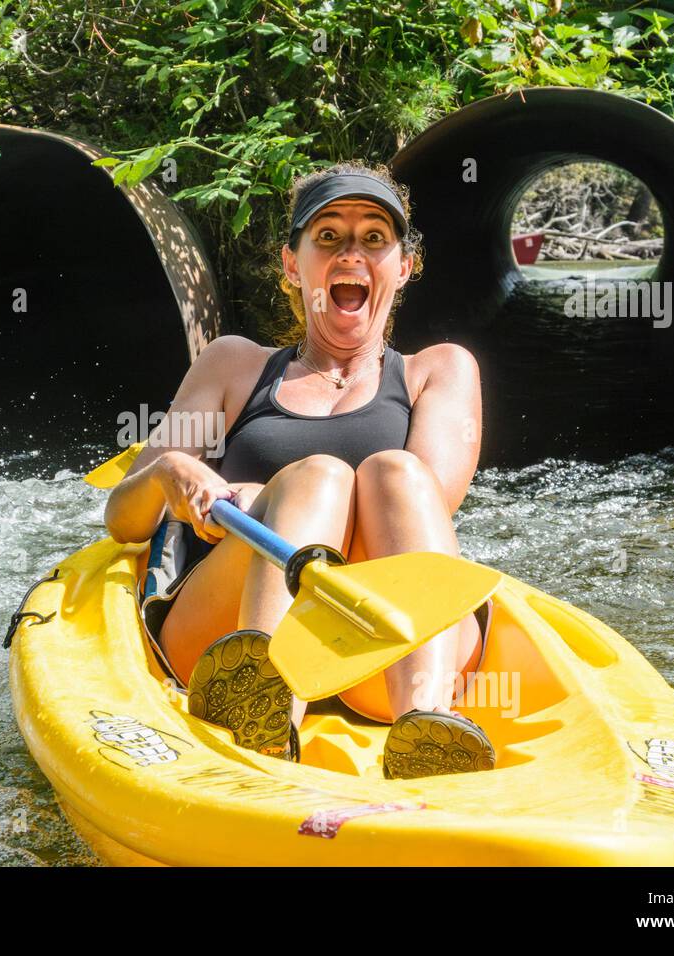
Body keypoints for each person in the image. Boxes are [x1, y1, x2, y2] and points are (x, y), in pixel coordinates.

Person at [103, 161, 495, 780]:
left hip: (380, 643)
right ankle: (263, 699)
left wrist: (276, 491)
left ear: (403, 267)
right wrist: (169, 471)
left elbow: (427, 507)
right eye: (329, 236)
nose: (351, 255)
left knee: (388, 472)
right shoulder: (232, 367)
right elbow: (122, 520)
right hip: (222, 629)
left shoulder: (437, 371)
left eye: (373, 239)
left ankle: (425, 725)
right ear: (293, 264)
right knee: (319, 475)